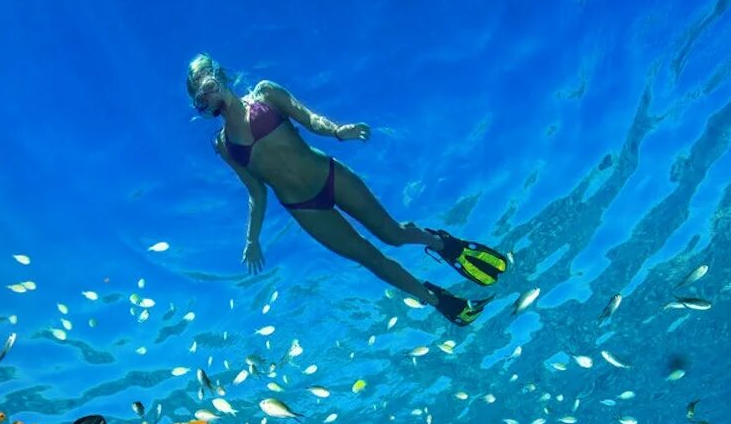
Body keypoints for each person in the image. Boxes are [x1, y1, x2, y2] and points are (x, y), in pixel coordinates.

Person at [186, 54, 509, 326]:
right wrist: (252, 239)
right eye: (202, 98)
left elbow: (309, 118)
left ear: (220, 77)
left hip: (329, 175)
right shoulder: (224, 145)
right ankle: (435, 299)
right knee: (369, 258)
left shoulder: (265, 94)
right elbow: (256, 191)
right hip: (304, 208)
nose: (210, 98)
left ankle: (442, 244)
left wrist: (338, 131)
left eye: (210, 87)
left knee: (392, 234)